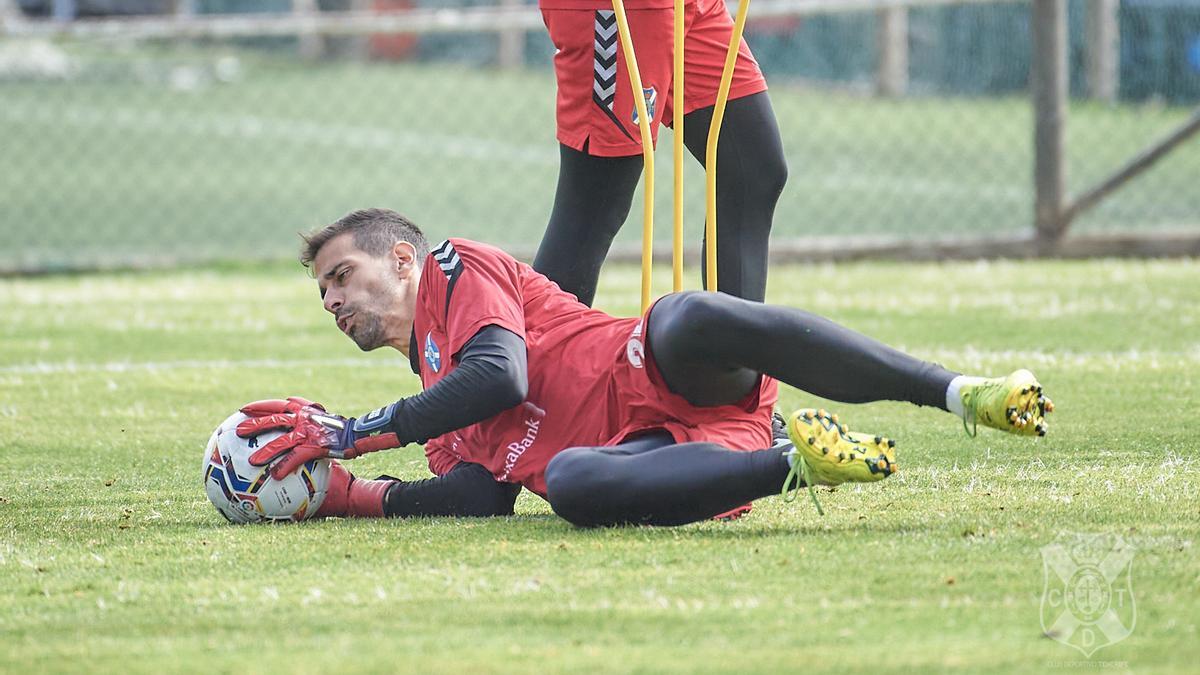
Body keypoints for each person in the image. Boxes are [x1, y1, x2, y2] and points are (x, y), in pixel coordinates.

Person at [235, 208, 1052, 527]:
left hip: (670, 371)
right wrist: (348, 496)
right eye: (322, 293)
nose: (333, 300)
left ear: (403, 259)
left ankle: (956, 392)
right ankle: (798, 461)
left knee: (686, 313)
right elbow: (480, 499)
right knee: (578, 490)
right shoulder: (434, 397)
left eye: (341, 276)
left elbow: (503, 373)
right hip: (677, 457)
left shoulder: (457, 268)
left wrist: (362, 430)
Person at [532, 0, 788, 306]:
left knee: (753, 170)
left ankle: (734, 348)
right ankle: (539, 350)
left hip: (689, 6)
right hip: (622, 9)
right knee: (595, 206)